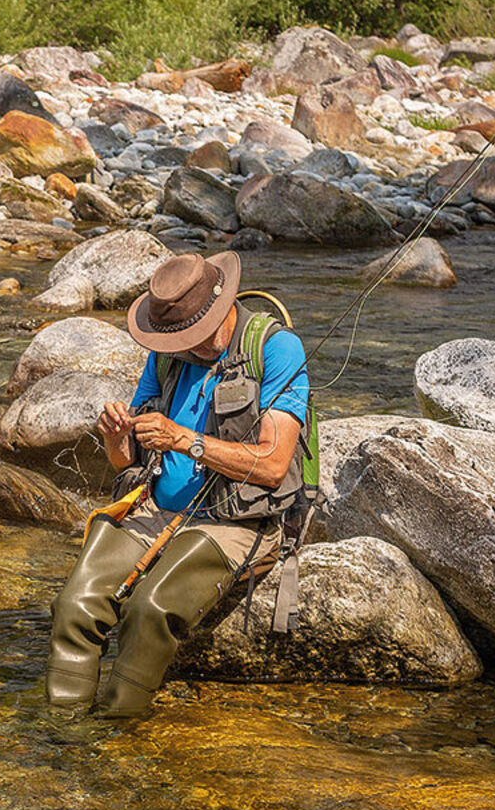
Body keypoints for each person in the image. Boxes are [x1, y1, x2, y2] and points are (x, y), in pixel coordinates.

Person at [46, 251, 310, 717]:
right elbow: (126, 461)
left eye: (192, 336)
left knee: (149, 610)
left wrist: (185, 440)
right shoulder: (166, 357)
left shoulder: (275, 349)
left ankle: (116, 731)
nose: (183, 348)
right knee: (75, 603)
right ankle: (63, 730)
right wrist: (116, 438)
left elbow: (272, 465)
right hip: (156, 510)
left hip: (237, 519)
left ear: (219, 309)